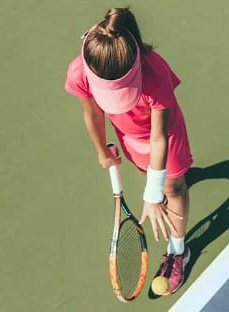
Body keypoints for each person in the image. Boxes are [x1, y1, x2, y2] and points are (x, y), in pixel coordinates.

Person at [64, 7, 192, 296]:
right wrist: (101, 149)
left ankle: (178, 251)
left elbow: (160, 137)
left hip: (163, 134)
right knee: (151, 174)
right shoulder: (79, 72)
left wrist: (153, 191)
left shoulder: (154, 73)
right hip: (129, 136)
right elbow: (94, 114)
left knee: (172, 186)